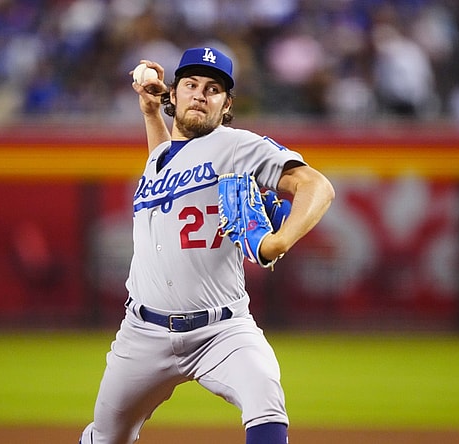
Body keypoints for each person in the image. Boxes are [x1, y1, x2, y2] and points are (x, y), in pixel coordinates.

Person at [79, 47, 335, 444]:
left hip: (222, 330)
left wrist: (277, 242)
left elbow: (316, 185)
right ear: (174, 95)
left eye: (213, 88)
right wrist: (150, 113)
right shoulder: (160, 157)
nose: (200, 94)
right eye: (191, 84)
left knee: (265, 396)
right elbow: (172, 165)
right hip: (142, 333)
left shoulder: (236, 145)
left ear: (226, 104)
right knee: (105, 436)